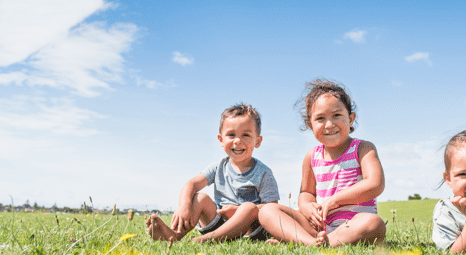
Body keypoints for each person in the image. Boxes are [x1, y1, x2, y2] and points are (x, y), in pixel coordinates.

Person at [258, 79, 386, 246]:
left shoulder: (362, 148)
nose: (329, 124)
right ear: (310, 125)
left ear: (351, 118)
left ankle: (313, 242)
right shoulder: (312, 157)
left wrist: (336, 200)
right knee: (267, 211)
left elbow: (375, 183)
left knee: (373, 223)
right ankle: (311, 242)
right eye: (320, 118)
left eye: (337, 115)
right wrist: (307, 207)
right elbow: (306, 192)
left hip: (353, 224)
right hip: (318, 227)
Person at [146, 104, 279, 244]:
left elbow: (272, 208)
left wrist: (238, 211)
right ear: (221, 140)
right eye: (231, 135)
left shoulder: (263, 172)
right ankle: (174, 235)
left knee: (248, 207)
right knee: (200, 198)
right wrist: (184, 206)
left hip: (249, 230)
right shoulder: (218, 167)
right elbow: (192, 184)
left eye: (246, 135)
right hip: (219, 225)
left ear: (257, 141)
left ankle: (209, 239)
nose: (238, 140)